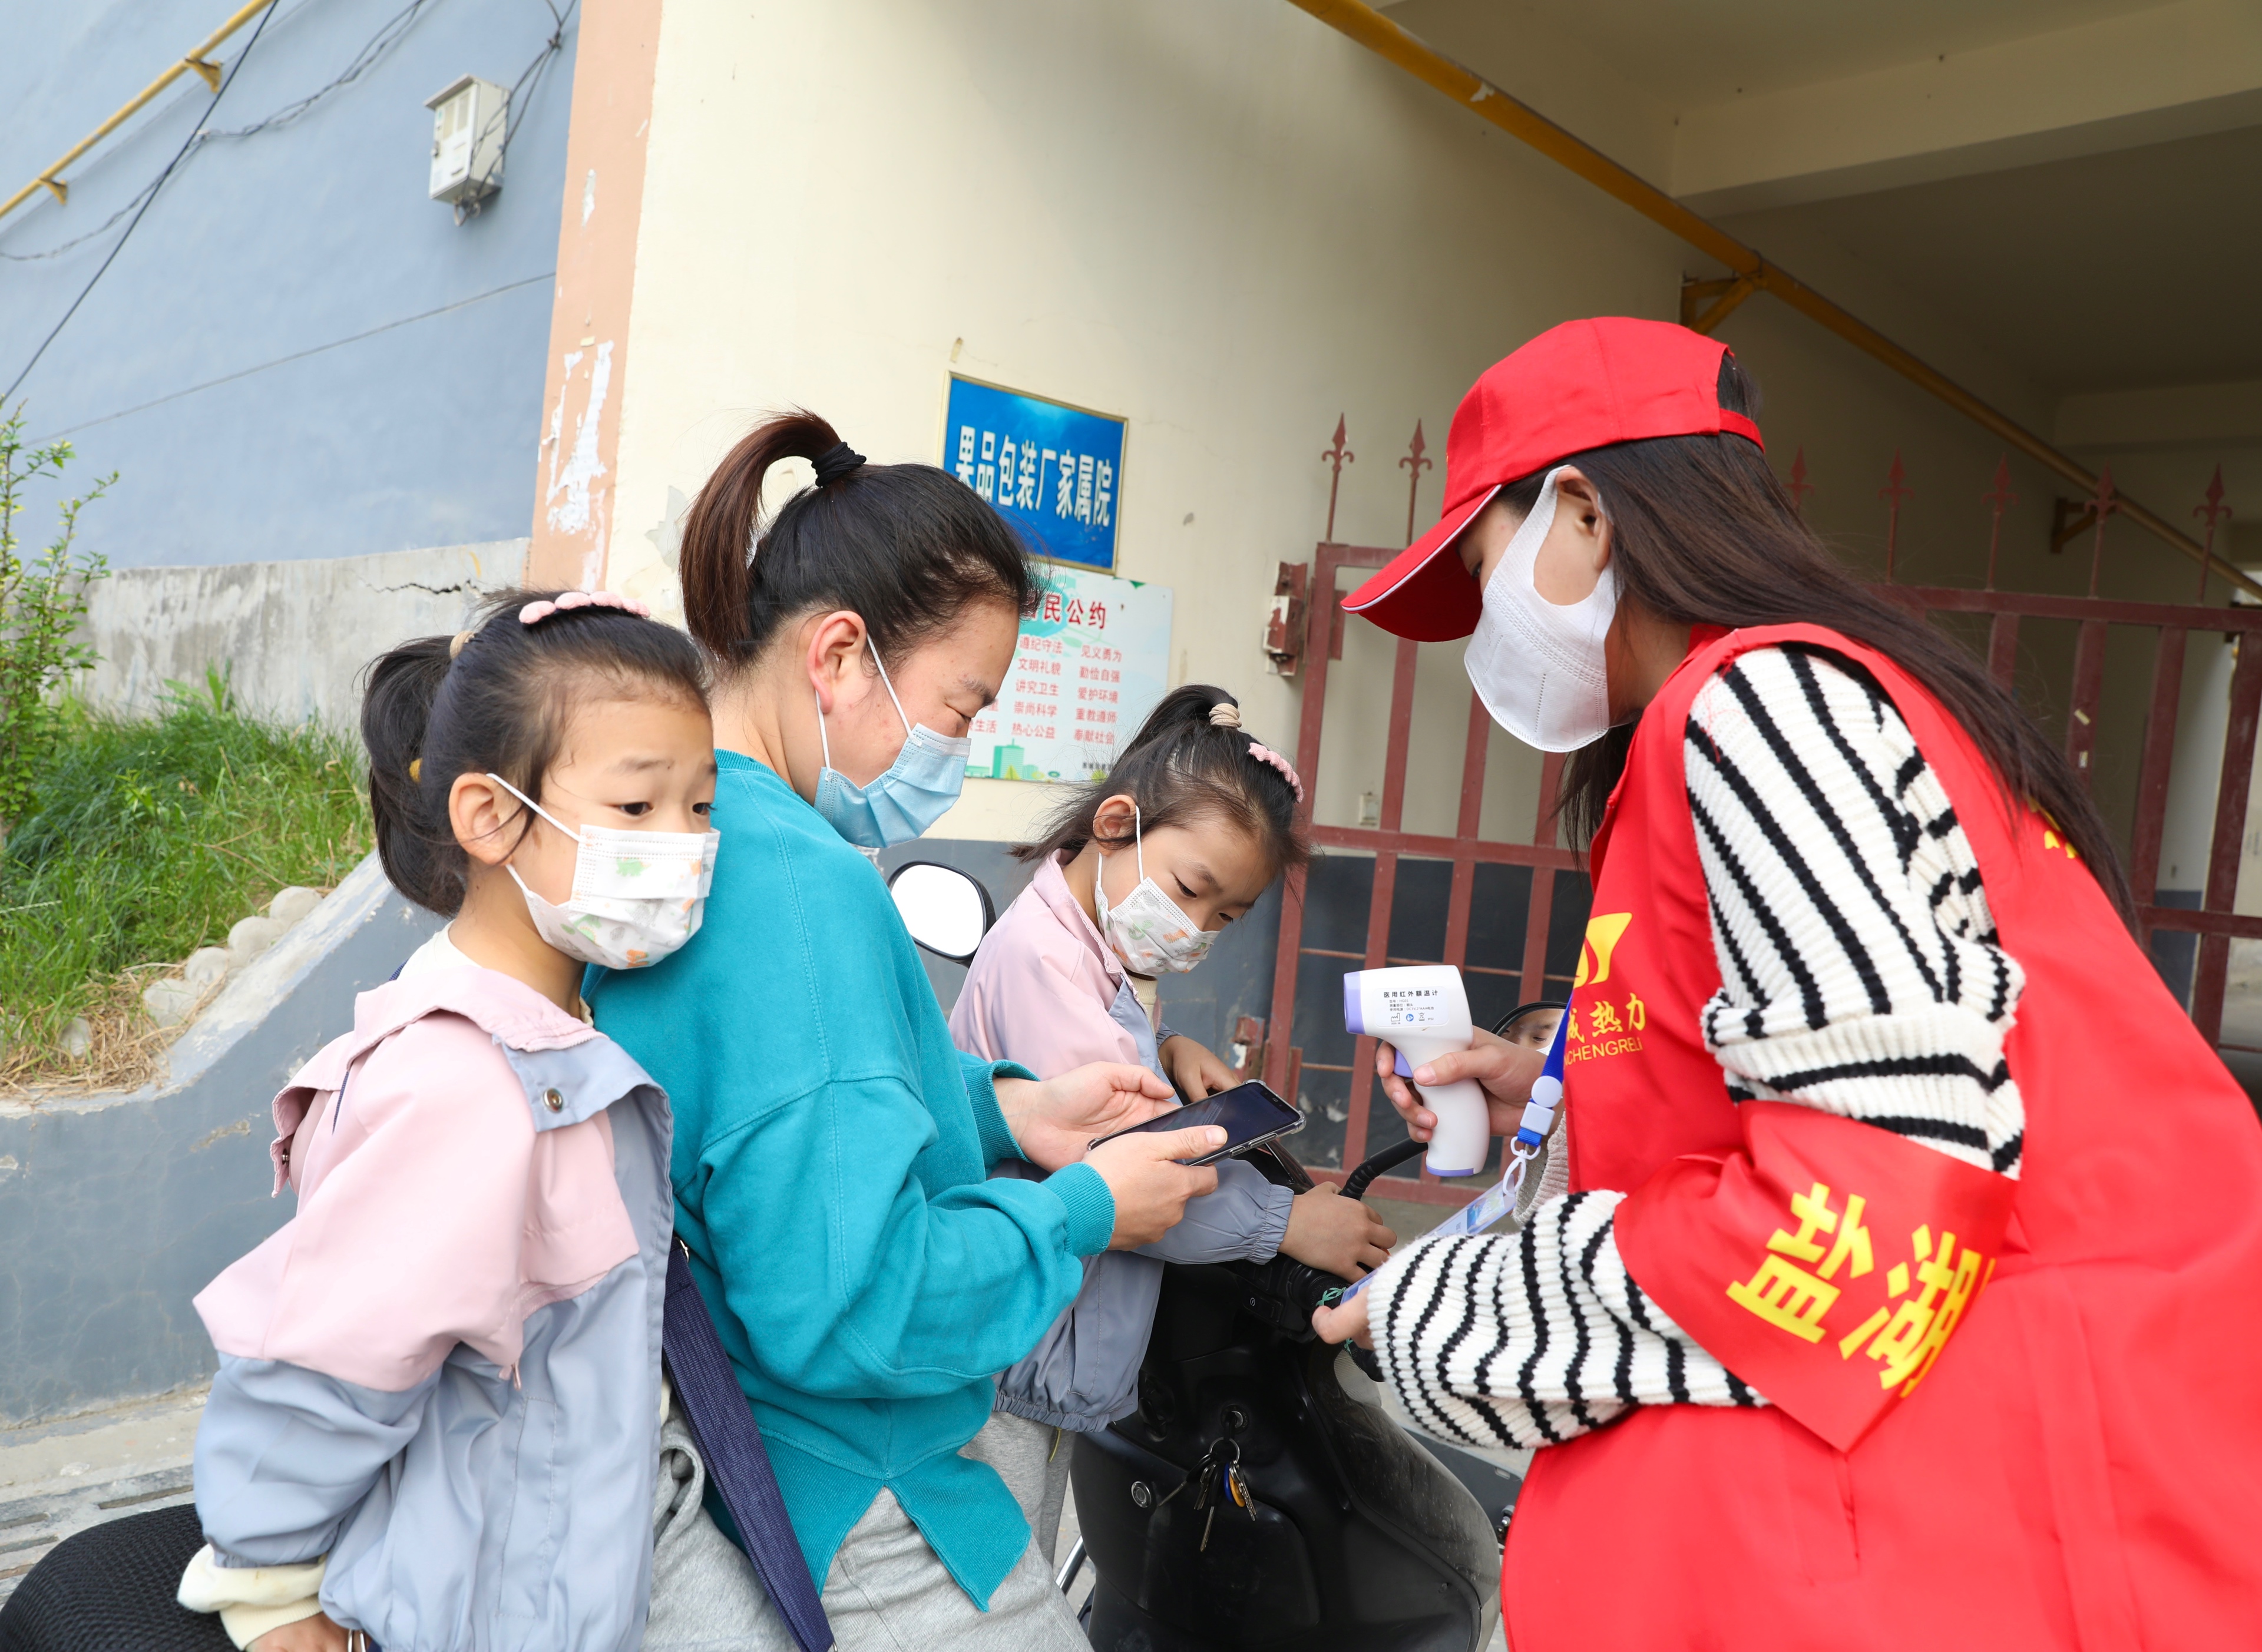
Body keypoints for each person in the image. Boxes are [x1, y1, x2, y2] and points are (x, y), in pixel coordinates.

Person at [1311, 317, 2262, 1648]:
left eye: (1484, 572)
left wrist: (1442, 1308)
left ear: (1581, 511)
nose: (1485, 631)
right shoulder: (1791, 706)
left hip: (1930, 1544)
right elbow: (1855, 1076)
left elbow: (1865, 1191)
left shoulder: (1762, 708)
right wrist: (1565, 1094)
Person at [588, 412, 1225, 1652]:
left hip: (753, 1459)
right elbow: (857, 1307)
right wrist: (1085, 1210)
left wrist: (1003, 1105)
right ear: (838, 654)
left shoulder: (694, 837)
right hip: (861, 1501)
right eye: (960, 706)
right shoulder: (802, 886)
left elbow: (759, 1117)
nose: (959, 751)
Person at [176, 588, 717, 1651]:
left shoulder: (555, 1039)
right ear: (488, 815)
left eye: (701, 806)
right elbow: (331, 1370)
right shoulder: (466, 1085)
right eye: (637, 805)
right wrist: (270, 1590)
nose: (687, 844)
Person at [950, 683, 1397, 1561]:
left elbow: (1098, 1066)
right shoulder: (1044, 960)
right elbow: (1135, 1172)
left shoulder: (1084, 945)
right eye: (1192, 890)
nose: (1195, 929)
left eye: (1225, 917)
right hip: (1016, 1351)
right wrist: (1287, 1221)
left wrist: (1168, 1044)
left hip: (1045, 1341)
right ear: (1117, 823)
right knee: (999, 1580)